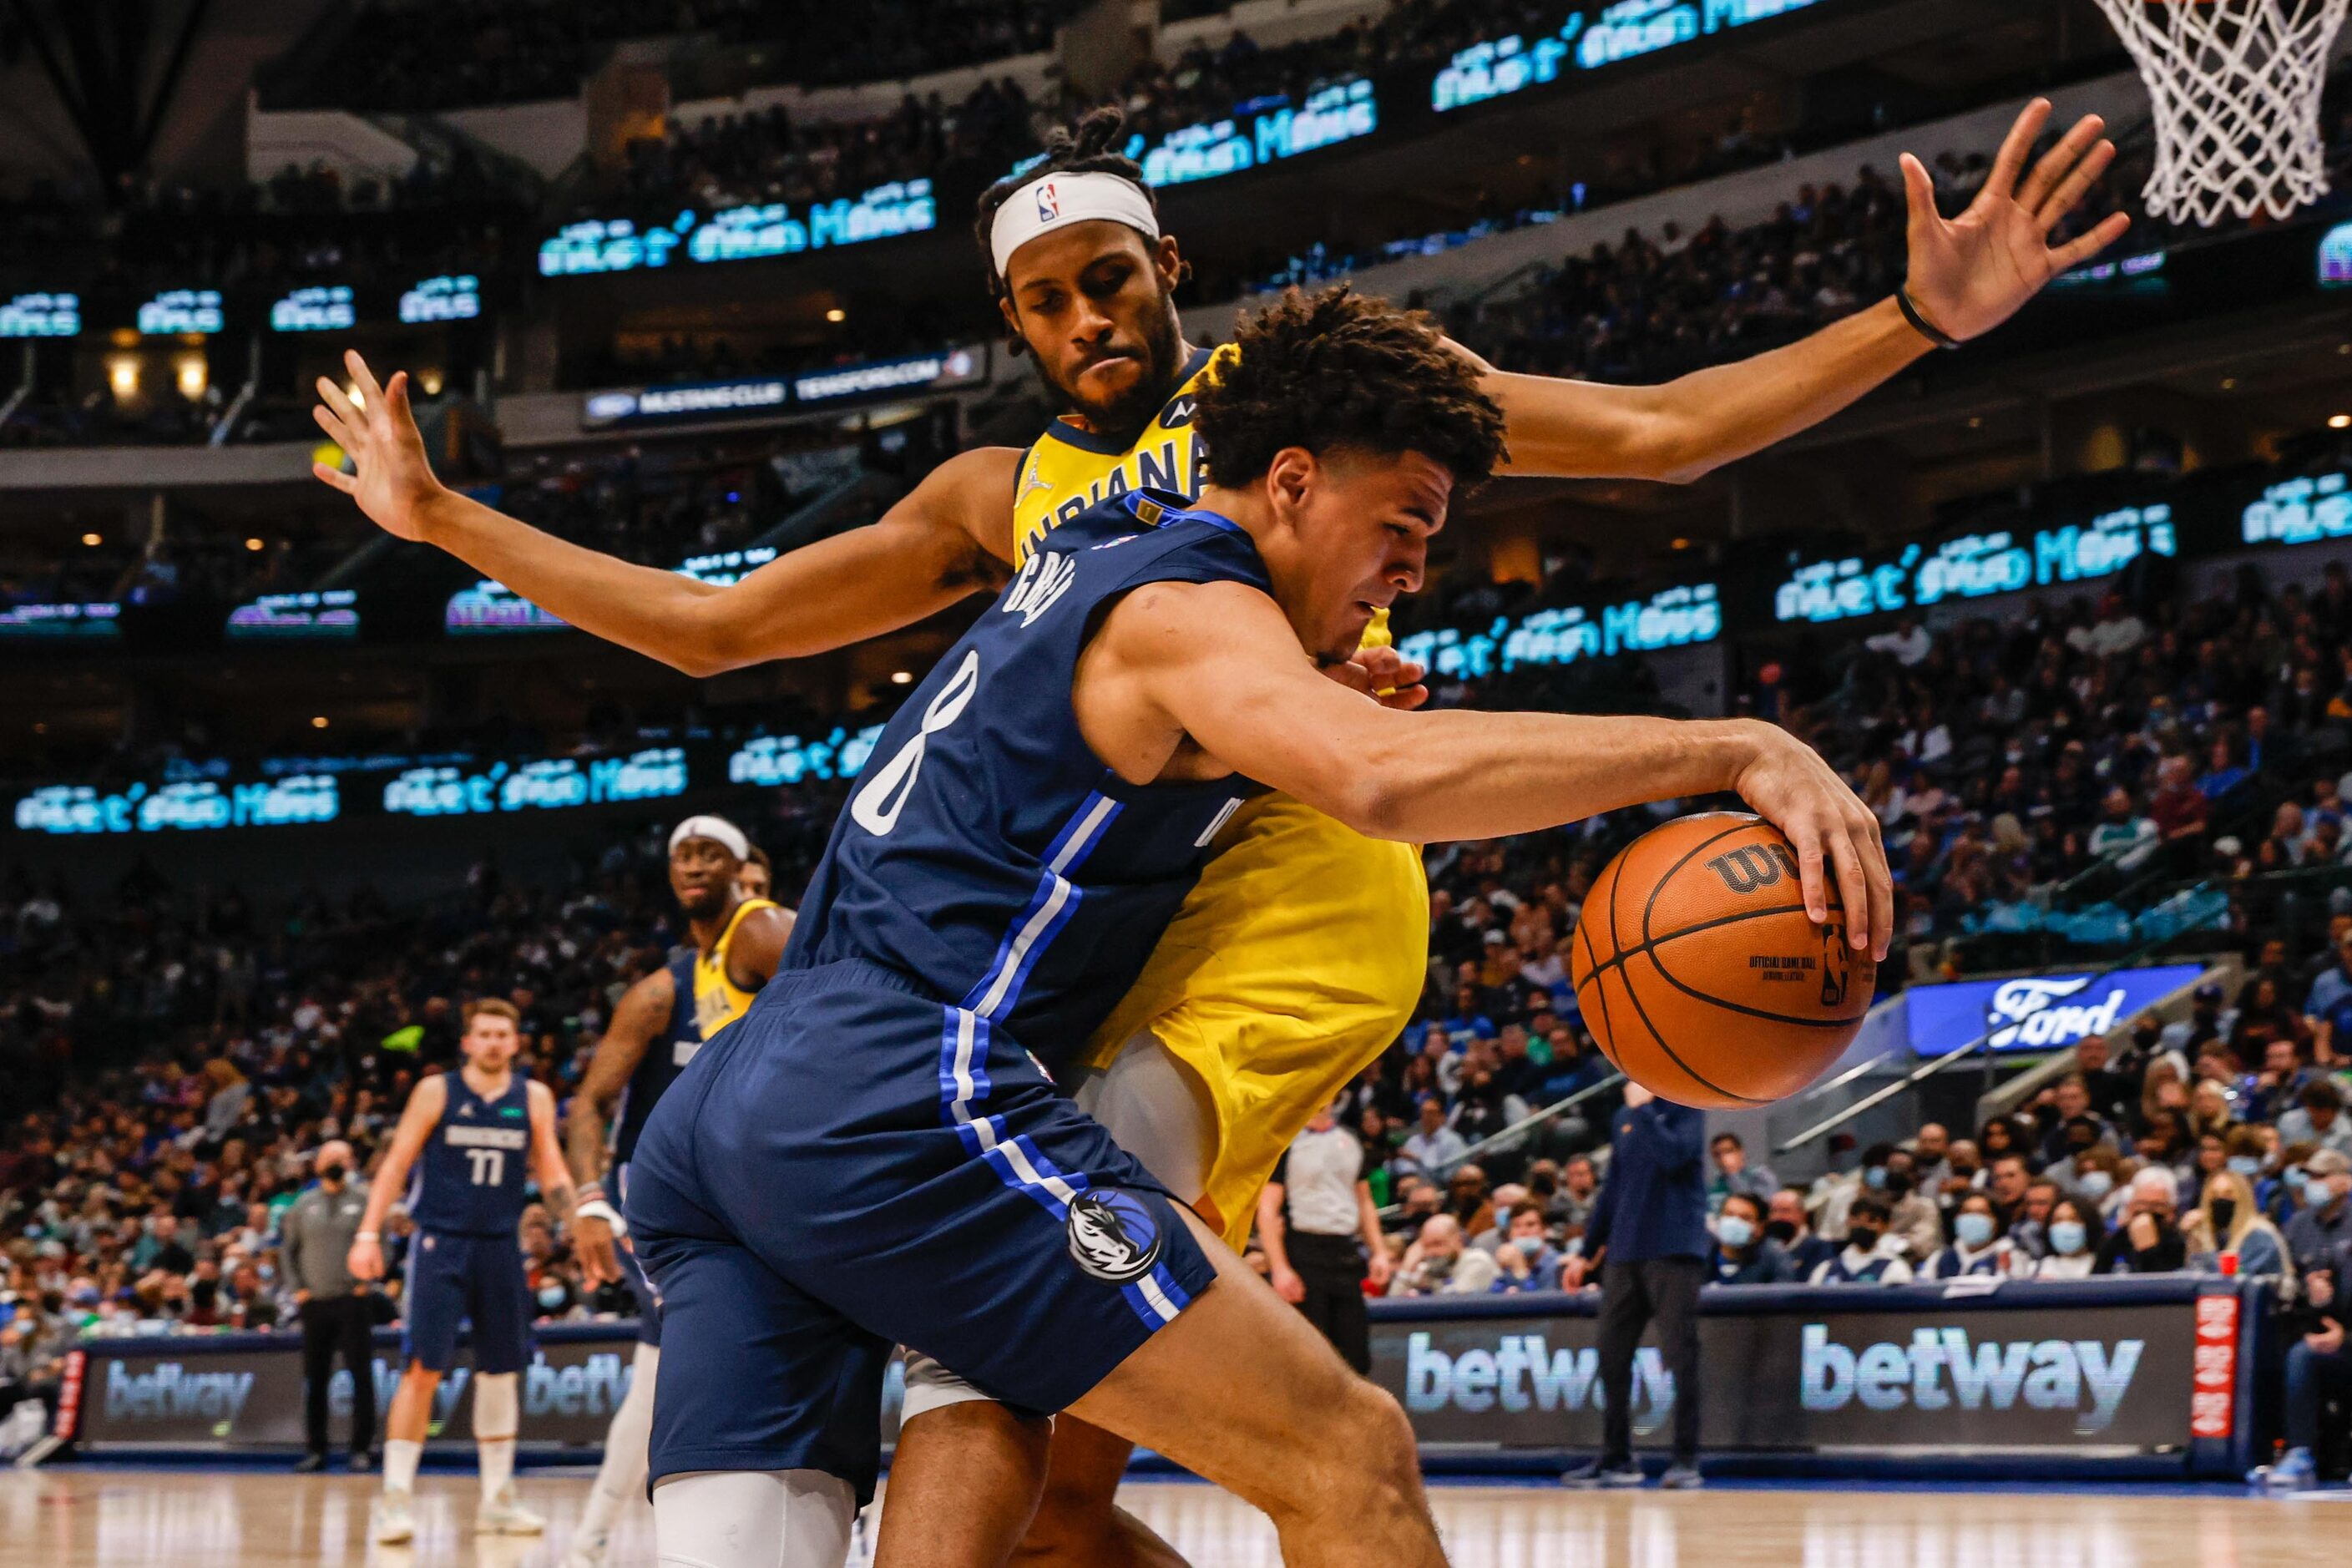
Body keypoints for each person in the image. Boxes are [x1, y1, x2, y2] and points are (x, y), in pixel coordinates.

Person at [310, 88, 2119, 1556]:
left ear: (1169, 265)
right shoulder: (1007, 497)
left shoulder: (1316, 410)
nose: (1086, 318)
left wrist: (1911, 322)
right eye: (1045, 300)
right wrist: (446, 519)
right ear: (1008, 322)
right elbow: (712, 626)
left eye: (1110, 278)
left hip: (1291, 914)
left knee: (1063, 1393)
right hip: (1087, 950)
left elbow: (1657, 431)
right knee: (1073, 1486)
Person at [559, 817, 792, 1568]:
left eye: (759, 890)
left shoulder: (775, 961)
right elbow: (590, 1102)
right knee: (666, 1368)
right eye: (685, 856)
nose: (751, 903)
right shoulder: (663, 991)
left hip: (765, 1195)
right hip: (677, 1209)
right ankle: (597, 1538)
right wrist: (589, 1199)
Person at [347, 999, 577, 1545]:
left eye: (504, 1034)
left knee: (500, 1372)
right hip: (440, 1242)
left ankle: (497, 1499)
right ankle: (395, 1500)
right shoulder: (437, 1092)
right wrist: (367, 1232)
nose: (495, 1042)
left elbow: (551, 1170)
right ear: (468, 1043)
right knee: (422, 1369)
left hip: (500, 1246)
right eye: (485, 1034)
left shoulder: (534, 1098)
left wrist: (580, 1222)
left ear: (516, 1043)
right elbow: (397, 1163)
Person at [1563, 1084, 1708, 1490]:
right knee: (1611, 1357)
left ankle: (1686, 1460)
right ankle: (1617, 1459)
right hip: (1625, 1253)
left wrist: (1644, 1112)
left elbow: (1675, 1157)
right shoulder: (1623, 1117)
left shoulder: (1687, 1103)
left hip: (1674, 1249)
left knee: (1681, 1356)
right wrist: (1585, 1252)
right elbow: (1613, 1189)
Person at [1258, 1098, 1393, 1372]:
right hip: (1303, 1253)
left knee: (1355, 1359)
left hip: (1345, 1253)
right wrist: (1280, 1268)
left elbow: (1364, 1202)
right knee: (1309, 1362)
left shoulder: (1350, 1139)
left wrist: (1379, 1251)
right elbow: (1268, 1209)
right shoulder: (1287, 1141)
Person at [281, 1139, 377, 1473]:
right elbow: (288, 1252)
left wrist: (367, 1283)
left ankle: (361, 1449)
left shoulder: (364, 1201)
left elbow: (382, 1244)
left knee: (361, 1376)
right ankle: (316, 1450)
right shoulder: (303, 1204)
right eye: (329, 1157)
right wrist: (299, 1290)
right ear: (318, 1165)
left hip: (352, 1301)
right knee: (316, 1379)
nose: (336, 1162)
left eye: (342, 1156)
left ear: (351, 1162)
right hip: (316, 1303)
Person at [2250, 1242, 2352, 1491]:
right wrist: (2319, 1303)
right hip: (2345, 1350)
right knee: (2302, 1355)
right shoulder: (2343, 1254)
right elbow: (2329, 1316)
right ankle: (2299, 1452)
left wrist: (2346, 1339)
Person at [2184, 1168, 2291, 1279]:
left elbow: (2232, 1277)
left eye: (2228, 1194)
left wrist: (2204, 1243)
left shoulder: (2260, 1234)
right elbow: (2192, 1273)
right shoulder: (2207, 1232)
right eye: (2214, 1195)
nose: (2220, 1200)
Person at [1387, 1214, 1501, 1298]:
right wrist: (1406, 1267)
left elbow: (1453, 1303)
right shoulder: (1428, 1267)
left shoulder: (1477, 1261)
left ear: (1458, 1240)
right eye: (1426, 1246)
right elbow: (1393, 1302)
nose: (1432, 1252)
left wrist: (1419, 1296)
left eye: (1438, 1244)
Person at [1808, 1195, 1914, 1284]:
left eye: (1872, 1221)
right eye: (1856, 1219)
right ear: (1848, 1221)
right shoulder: (1826, 1269)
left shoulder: (1895, 1269)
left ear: (1887, 1226)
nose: (1862, 1225)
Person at [1709, 1191, 1797, 1285]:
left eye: (1745, 1218)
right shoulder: (1703, 1253)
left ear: (1760, 1227)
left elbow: (1783, 1294)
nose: (1734, 1222)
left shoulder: (1775, 1257)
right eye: (1729, 1214)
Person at [2287, 1149, 2352, 1269]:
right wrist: (2307, 1282)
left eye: (2321, 1176)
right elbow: (2290, 1273)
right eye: (2310, 1176)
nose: (2313, 1182)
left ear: (2346, 1181)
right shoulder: (2297, 1224)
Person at [1925, 1193, 2011, 1278]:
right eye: (1966, 1212)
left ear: (1997, 1221)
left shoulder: (2010, 1257)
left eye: (1981, 1212)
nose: (1972, 1217)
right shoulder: (1939, 1258)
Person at [1490, 1201, 1565, 1293]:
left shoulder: (1558, 1266)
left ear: (1544, 1231)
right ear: (1509, 1234)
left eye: (1530, 1225)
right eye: (1516, 1226)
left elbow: (1543, 1305)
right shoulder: (1508, 1265)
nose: (1523, 1232)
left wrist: (1520, 1272)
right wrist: (1499, 1271)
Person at [2026, 1197, 2104, 1279]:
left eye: (2074, 1219)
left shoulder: (2104, 1267)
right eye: (2058, 1220)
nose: (2065, 1225)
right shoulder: (2035, 1270)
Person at [1767, 1186, 1837, 1277]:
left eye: (1785, 1211)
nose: (1778, 1217)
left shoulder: (1819, 1247)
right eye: (1773, 1211)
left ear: (1802, 1214)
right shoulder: (1763, 1249)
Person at [1706, 1131, 1776, 1216]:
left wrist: (1732, 1173)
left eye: (1728, 1151)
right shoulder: (1715, 1184)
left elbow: (1755, 1208)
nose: (1723, 1158)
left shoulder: (1761, 1176)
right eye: (1717, 1154)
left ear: (1741, 1152)